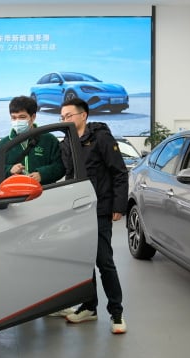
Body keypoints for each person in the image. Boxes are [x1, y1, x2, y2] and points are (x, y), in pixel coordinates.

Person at [58, 98, 129, 334]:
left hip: (99, 209)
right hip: (76, 210)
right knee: (83, 261)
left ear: (83, 115)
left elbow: (119, 172)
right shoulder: (66, 142)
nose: (65, 120)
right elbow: (66, 174)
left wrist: (118, 206)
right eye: (62, 117)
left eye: (69, 115)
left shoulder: (100, 138)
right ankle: (89, 307)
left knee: (103, 260)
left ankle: (116, 313)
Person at [0, 96, 65, 185]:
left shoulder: (49, 140)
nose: (17, 121)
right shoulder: (4, 144)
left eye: (22, 117)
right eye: (14, 117)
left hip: (44, 193)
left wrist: (42, 174)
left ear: (33, 117)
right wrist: (9, 170)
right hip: (15, 195)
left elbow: (61, 166)